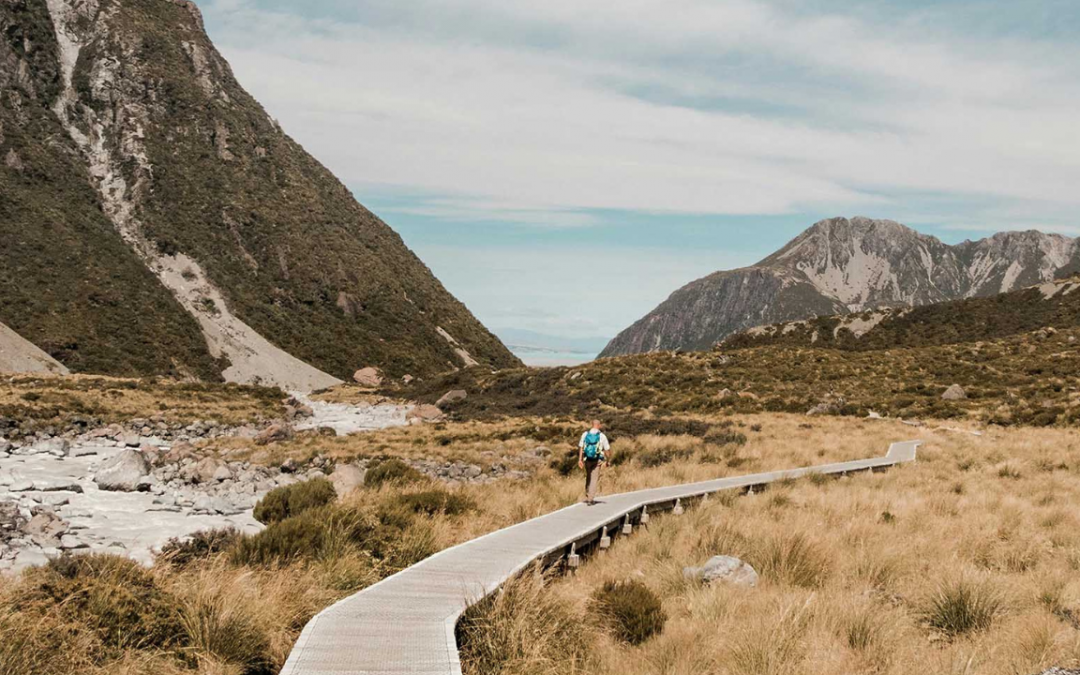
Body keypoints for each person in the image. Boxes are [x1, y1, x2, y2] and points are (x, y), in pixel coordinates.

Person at [578, 420, 611, 505]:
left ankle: (588, 493)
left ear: (592, 425)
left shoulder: (585, 434)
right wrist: (608, 460)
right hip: (597, 460)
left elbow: (581, 447)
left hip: (587, 459)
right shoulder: (602, 436)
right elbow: (607, 450)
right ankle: (590, 499)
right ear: (599, 425)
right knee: (594, 479)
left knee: (588, 476)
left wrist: (580, 460)